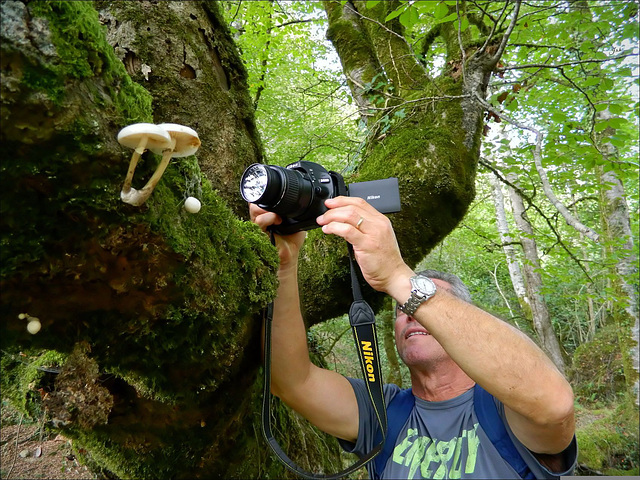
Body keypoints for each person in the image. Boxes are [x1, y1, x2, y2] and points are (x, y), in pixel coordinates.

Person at [249, 196, 577, 479]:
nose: (409, 312)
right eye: (401, 309)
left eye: (421, 303)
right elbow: (291, 380)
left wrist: (398, 277)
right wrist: (284, 264)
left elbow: (554, 404)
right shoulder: (384, 411)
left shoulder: (503, 408)